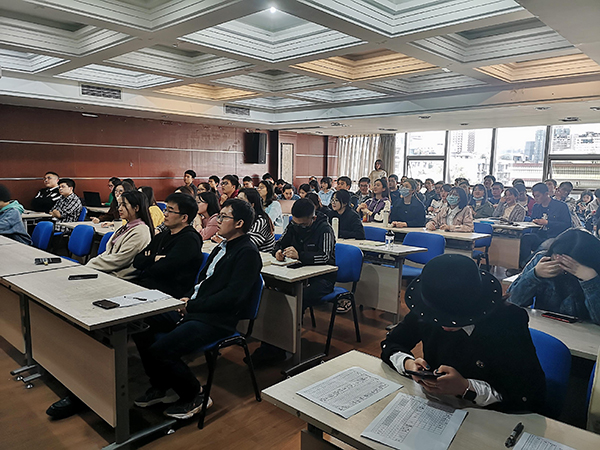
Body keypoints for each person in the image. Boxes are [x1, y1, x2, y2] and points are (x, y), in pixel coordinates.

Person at [132, 199, 262, 419]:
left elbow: (232, 297)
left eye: (224, 217)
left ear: (239, 223)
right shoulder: (222, 246)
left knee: (161, 350)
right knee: (141, 326)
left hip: (216, 320)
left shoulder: (247, 253)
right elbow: (204, 282)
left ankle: (195, 395)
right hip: (196, 310)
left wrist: (191, 305)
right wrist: (187, 299)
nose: (217, 220)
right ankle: (162, 385)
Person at [381, 254, 545, 414]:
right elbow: (391, 343)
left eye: (454, 320)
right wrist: (408, 364)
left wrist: (466, 387)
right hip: (439, 406)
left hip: (488, 414)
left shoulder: (508, 322)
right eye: (438, 319)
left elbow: (527, 395)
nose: (444, 326)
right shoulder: (427, 310)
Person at [250, 199, 335, 365]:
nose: (298, 227)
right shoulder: (293, 225)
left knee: (295, 300)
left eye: (303, 225)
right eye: (296, 223)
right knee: (274, 296)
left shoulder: (325, 229)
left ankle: (282, 346)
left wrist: (300, 255)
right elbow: (279, 243)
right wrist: (277, 252)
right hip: (296, 274)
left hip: (321, 280)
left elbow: (326, 257)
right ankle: (273, 345)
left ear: (313, 218)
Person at [508, 228, 600, 325]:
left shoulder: (593, 270)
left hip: (583, 332)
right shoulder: (543, 260)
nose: (560, 264)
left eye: (568, 264)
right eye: (556, 257)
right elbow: (511, 302)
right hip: (545, 327)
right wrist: (534, 275)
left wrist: (590, 280)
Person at [133, 193, 203, 299]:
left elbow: (164, 269)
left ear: (184, 217)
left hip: (168, 293)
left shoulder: (190, 240)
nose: (165, 214)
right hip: (147, 286)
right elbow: (137, 261)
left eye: (170, 211)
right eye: (165, 210)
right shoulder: (163, 235)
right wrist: (155, 258)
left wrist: (148, 261)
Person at [86, 190, 153, 278]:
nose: (119, 209)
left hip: (118, 275)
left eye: (124, 205)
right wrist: (93, 263)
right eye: (119, 205)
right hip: (109, 270)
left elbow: (120, 259)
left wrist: (91, 265)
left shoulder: (141, 231)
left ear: (136, 208)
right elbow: (109, 253)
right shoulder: (127, 226)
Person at [517, 182, 571, 270]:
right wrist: (533, 222)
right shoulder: (536, 206)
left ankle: (526, 266)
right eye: (534, 196)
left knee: (545, 246)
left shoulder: (561, 206)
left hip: (555, 236)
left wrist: (547, 223)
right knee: (526, 238)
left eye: (538, 196)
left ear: (546, 194)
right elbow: (533, 220)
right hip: (539, 234)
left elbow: (567, 225)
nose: (535, 198)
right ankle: (522, 265)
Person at [237, 188, 275, 252]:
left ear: (252, 205)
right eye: (237, 199)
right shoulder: (241, 218)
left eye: (241, 200)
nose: (236, 203)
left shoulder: (260, 221)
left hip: (263, 255)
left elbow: (249, 243)